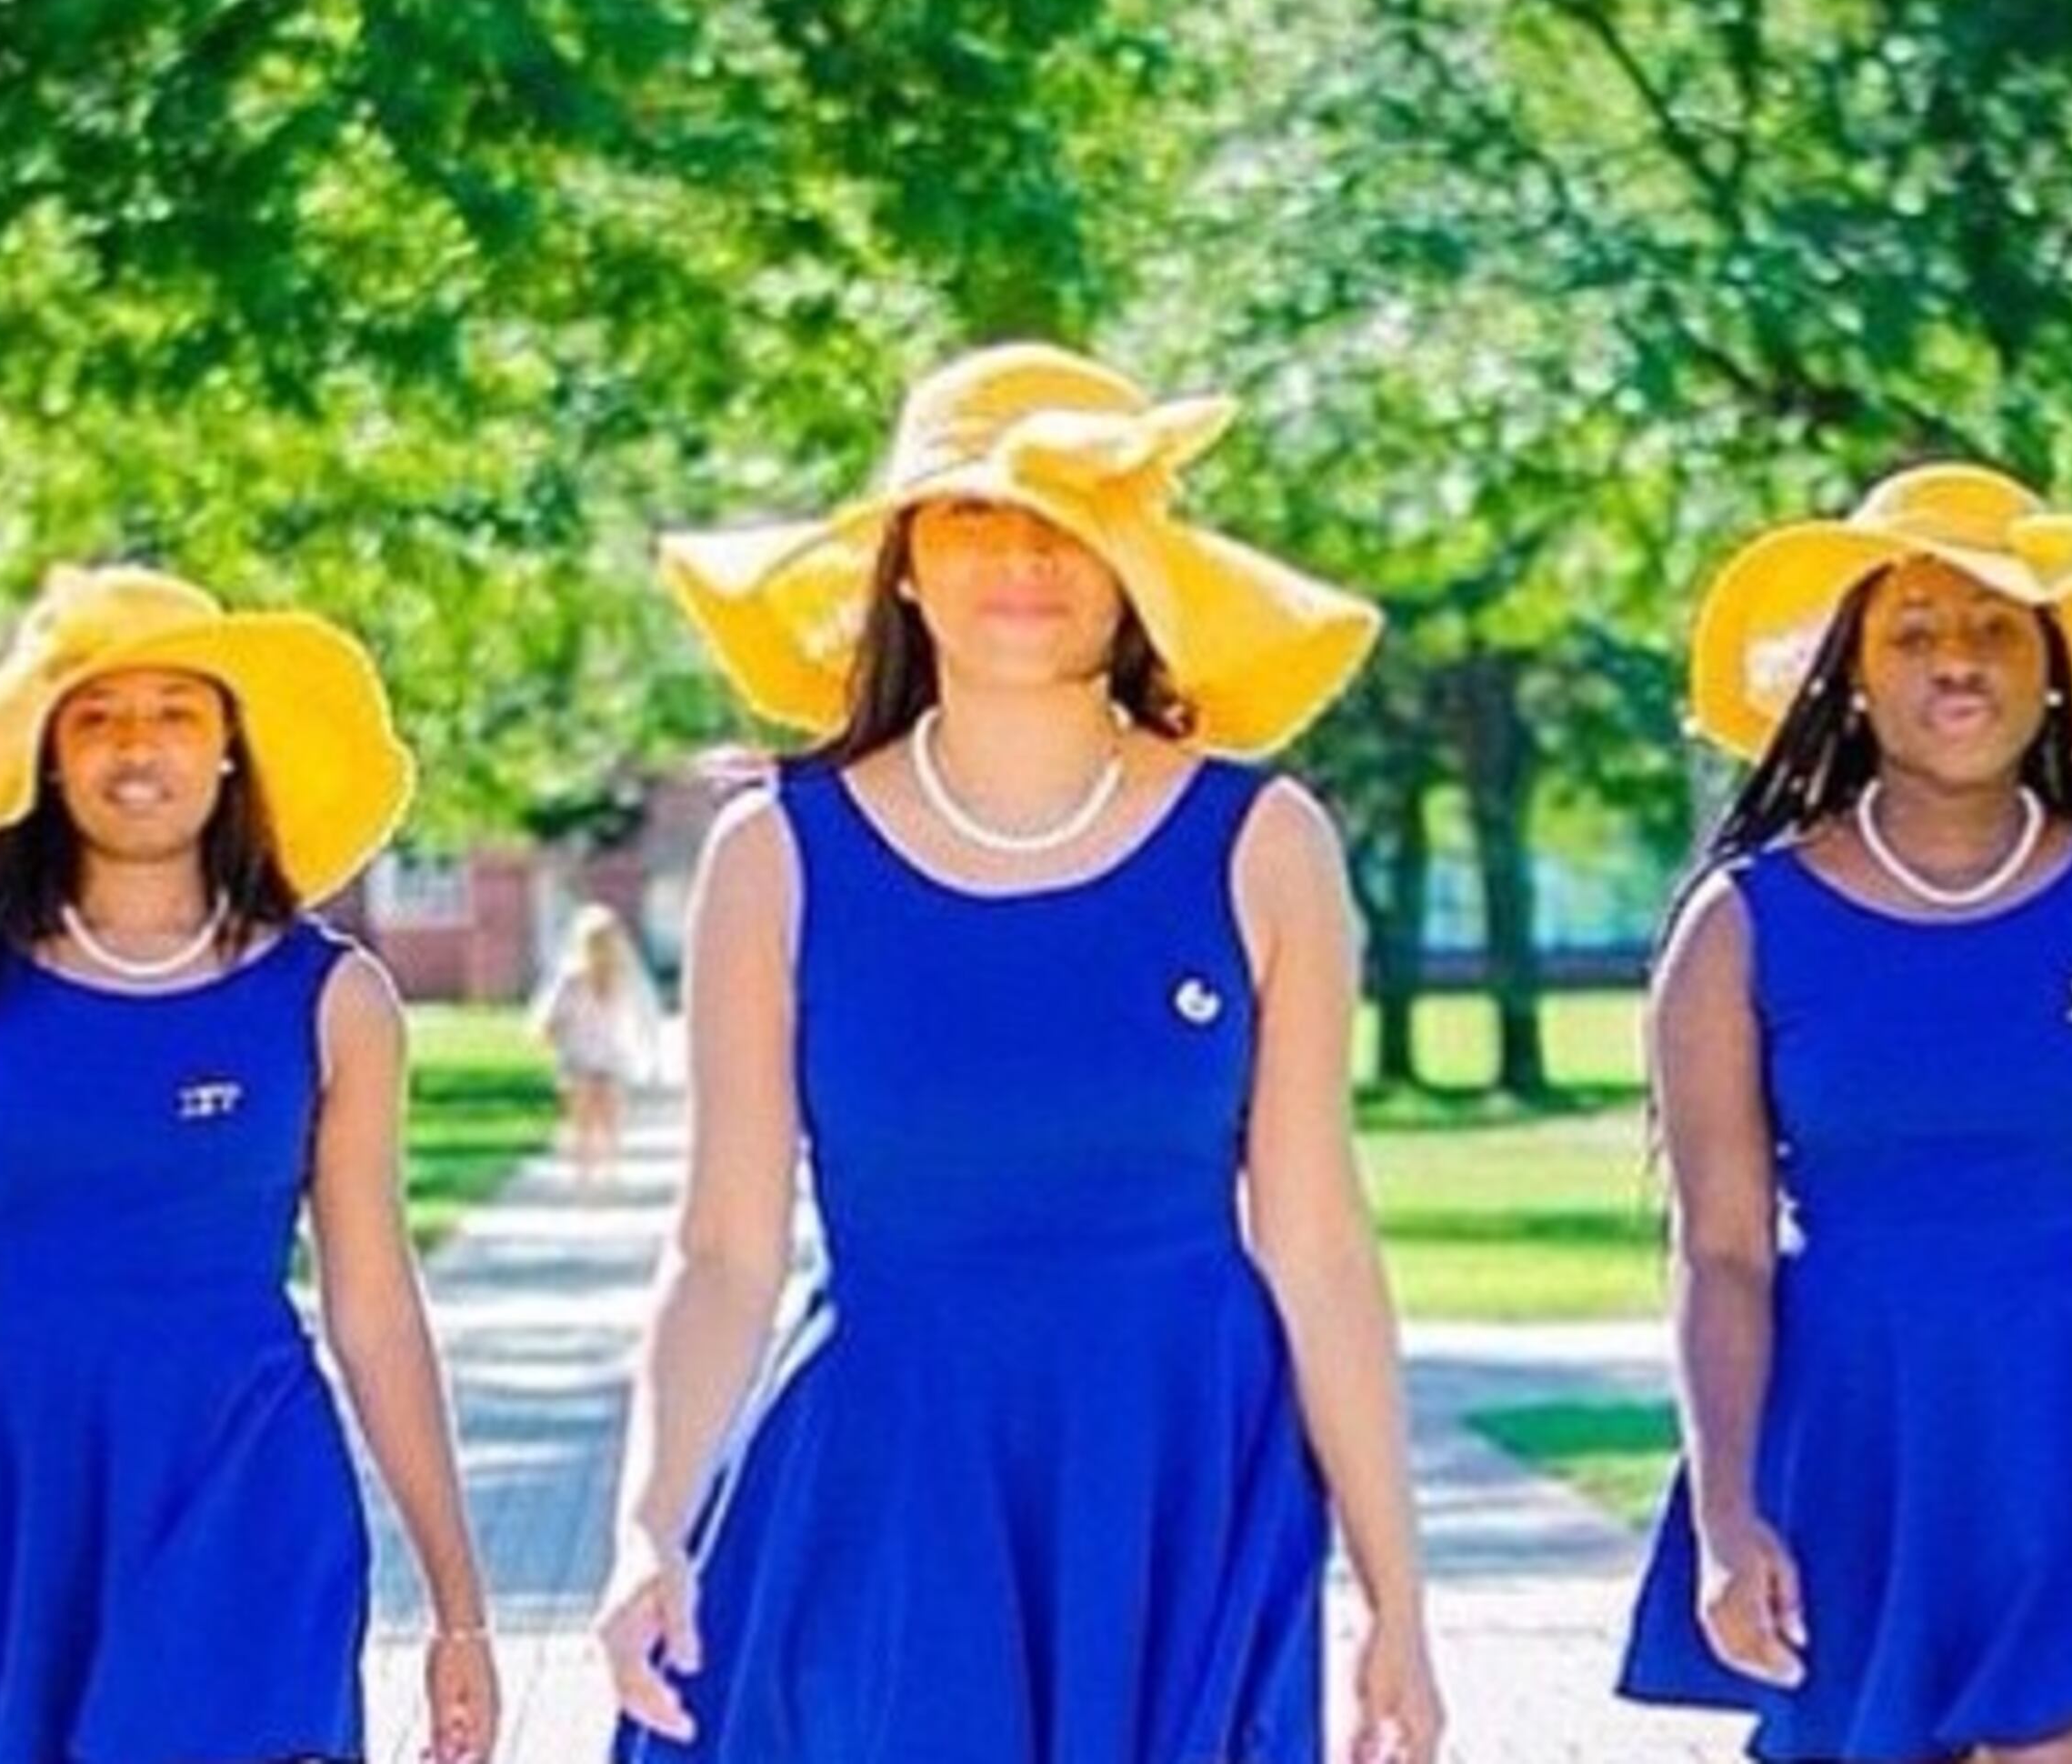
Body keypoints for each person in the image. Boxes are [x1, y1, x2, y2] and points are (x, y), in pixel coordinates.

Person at [600, 343, 1443, 1762]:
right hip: (889, 1474)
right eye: (972, 518)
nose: (1022, 561)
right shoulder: (777, 856)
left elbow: (1318, 1244)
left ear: (1136, 573)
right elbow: (725, 1253)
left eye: (1066, 525)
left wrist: (1398, 1596)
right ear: (903, 568)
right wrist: (641, 1533)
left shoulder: (1264, 846)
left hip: (1180, 1476)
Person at [1617, 462, 2072, 1760]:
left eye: (1995, 628)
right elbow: (1722, 1252)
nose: (1956, 661)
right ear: (1851, 671)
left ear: (2054, 669)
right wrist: (1729, 1515)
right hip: (1855, 1442)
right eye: (1914, 631)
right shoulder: (1739, 926)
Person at [0, 564, 495, 1764]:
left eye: (177, 712)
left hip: (243, 1473)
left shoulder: (333, 999)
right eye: (98, 717)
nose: (137, 747)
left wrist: (460, 1606)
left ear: (230, 750)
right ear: (46, 757)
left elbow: (376, 1310)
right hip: (5, 1476)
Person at [530, 903, 662, 1188]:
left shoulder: (625, 978)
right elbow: (549, 1018)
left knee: (610, 1115)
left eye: (607, 941)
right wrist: (552, 1032)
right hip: (578, 1058)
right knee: (583, 1118)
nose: (602, 948)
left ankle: (609, 1170)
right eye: (596, 941)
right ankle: (585, 1174)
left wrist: (647, 1055)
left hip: (610, 1056)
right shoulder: (571, 980)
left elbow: (643, 1016)